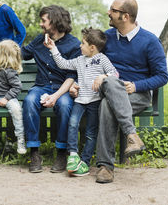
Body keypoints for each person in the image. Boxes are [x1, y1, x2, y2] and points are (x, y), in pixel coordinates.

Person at [71, 0, 168, 183]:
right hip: (108, 89)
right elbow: (87, 62)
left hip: (136, 95)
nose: (108, 12)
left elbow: (162, 76)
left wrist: (137, 85)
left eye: (113, 10)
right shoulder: (106, 38)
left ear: (125, 16)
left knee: (108, 103)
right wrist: (79, 83)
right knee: (110, 87)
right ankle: (132, 135)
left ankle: (105, 166)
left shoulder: (150, 41)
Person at [44, 27, 118, 177]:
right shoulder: (79, 60)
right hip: (80, 100)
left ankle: (84, 162)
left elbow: (115, 74)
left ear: (92, 48)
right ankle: (73, 155)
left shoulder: (102, 59)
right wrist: (53, 48)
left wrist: (103, 76)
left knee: (91, 132)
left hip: (95, 101)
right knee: (72, 124)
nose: (80, 46)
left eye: (83, 43)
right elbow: (63, 64)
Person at [21, 5, 81, 173]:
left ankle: (62, 152)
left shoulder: (74, 44)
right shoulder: (40, 40)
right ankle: (34, 153)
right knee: (30, 100)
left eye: (44, 21)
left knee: (64, 105)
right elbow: (21, 54)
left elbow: (71, 76)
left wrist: (55, 96)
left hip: (63, 88)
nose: (41, 24)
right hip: (41, 86)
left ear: (55, 22)